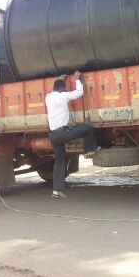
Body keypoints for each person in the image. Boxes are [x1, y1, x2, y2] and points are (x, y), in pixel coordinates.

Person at [46, 70, 99, 198]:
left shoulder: (48, 97)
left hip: (53, 135)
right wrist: (76, 79)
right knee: (88, 128)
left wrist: (59, 79)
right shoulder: (63, 96)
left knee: (59, 161)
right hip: (63, 133)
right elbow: (79, 93)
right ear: (63, 89)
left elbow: (55, 88)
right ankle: (89, 150)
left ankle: (56, 190)